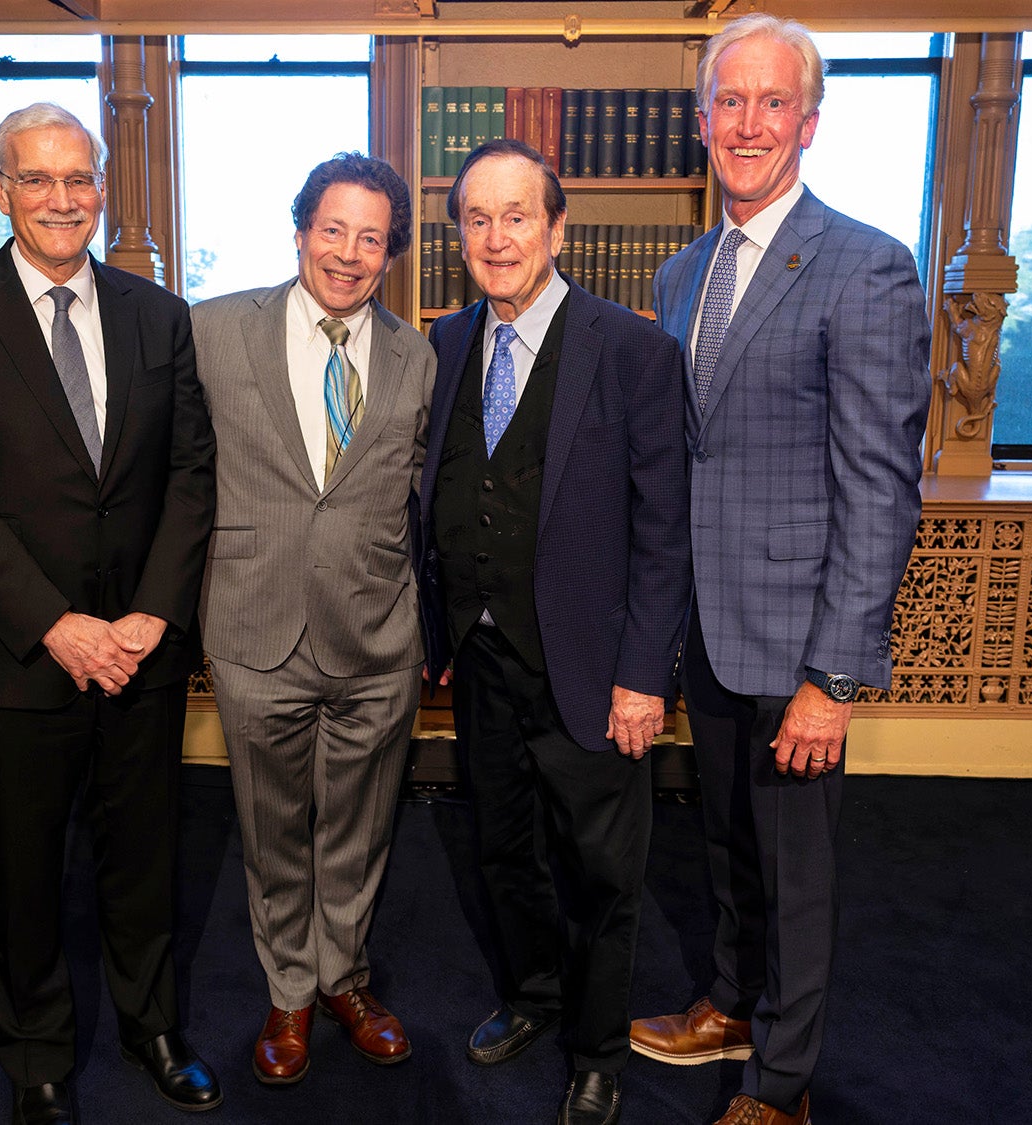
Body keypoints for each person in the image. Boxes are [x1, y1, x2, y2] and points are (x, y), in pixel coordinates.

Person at [0, 102, 220, 1124]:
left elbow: (190, 476)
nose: (61, 199)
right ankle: (35, 1055)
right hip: (14, 655)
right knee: (25, 870)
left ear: (102, 187)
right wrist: (56, 624)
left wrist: (153, 614)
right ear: (2, 192)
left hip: (140, 652)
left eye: (78, 178)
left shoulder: (159, 315)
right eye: (36, 179)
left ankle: (152, 1026)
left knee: (144, 858)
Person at [629, 15, 931, 1125]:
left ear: (808, 122)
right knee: (723, 845)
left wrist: (833, 678)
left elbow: (879, 490)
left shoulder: (866, 266)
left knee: (796, 873)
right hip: (707, 634)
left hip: (801, 644)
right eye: (729, 101)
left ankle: (784, 1084)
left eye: (772, 103)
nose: (747, 124)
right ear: (702, 119)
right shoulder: (681, 273)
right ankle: (730, 1002)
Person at [417, 137, 691, 1125]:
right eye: (477, 219)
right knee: (501, 849)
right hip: (480, 659)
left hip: (594, 670)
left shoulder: (633, 350)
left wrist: (644, 676)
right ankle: (533, 995)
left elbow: (664, 531)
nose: (497, 239)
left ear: (556, 227)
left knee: (601, 872)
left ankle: (597, 1049)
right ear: (459, 235)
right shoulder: (445, 344)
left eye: (517, 216)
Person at [189, 153, 436, 1085]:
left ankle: (344, 977)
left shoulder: (418, 356)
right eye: (332, 229)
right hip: (254, 628)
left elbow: (424, 497)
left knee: (361, 830)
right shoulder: (213, 331)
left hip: (377, 635)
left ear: (390, 255)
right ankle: (289, 990)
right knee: (273, 829)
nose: (348, 252)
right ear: (300, 232)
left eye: (371, 238)